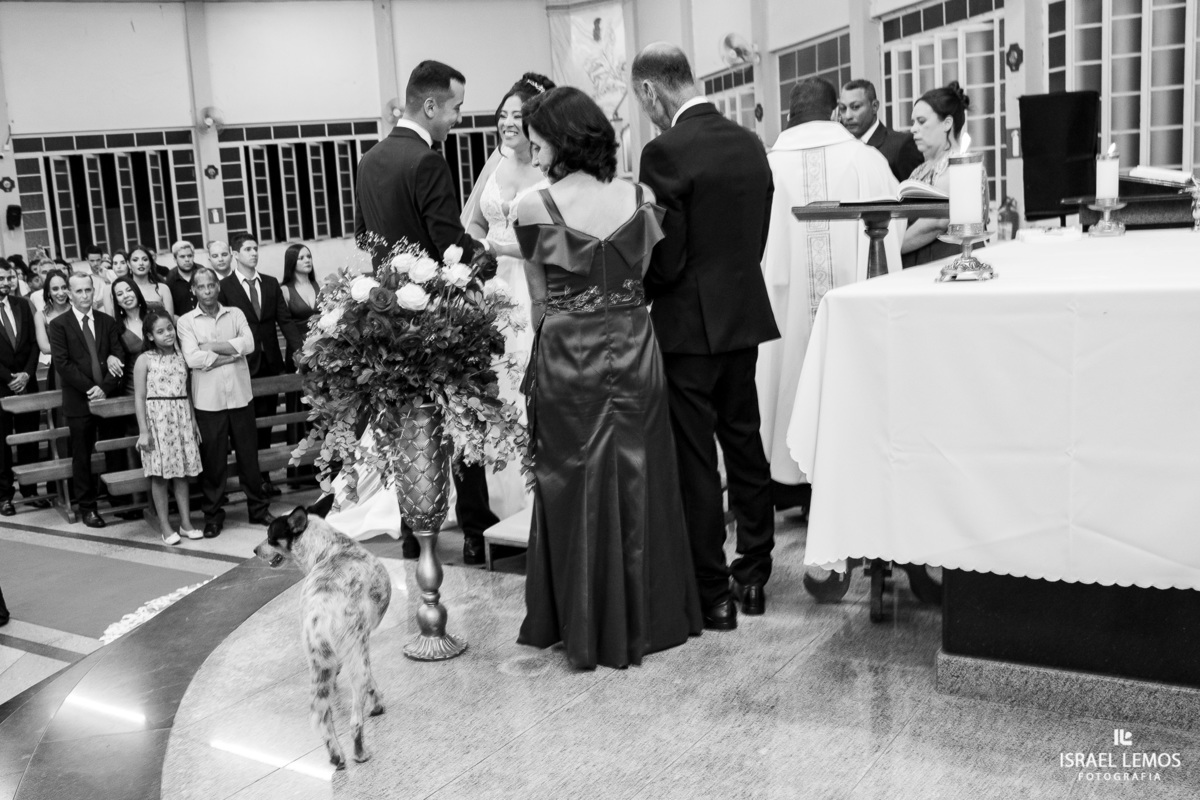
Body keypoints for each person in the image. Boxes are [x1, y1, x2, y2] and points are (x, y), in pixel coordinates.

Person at [513, 86, 702, 670]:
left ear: (560, 137)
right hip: (634, 341)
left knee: (571, 479)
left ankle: (585, 621)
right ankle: (652, 618)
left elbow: (540, 298)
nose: (530, 147)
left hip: (568, 348)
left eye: (536, 136)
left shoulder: (532, 204)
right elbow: (639, 275)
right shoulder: (639, 195)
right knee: (642, 474)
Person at [631, 44, 779, 629]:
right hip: (741, 314)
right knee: (745, 440)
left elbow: (665, 255)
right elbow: (756, 233)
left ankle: (713, 595)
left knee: (696, 458)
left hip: (687, 326)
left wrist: (649, 287)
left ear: (651, 91)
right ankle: (756, 574)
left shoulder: (664, 151)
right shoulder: (748, 143)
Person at [352, 59, 500, 564]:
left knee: (407, 426)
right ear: (430, 105)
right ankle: (477, 529)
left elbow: (364, 238)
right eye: (456, 108)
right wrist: (487, 259)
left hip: (388, 318)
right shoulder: (427, 161)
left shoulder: (369, 160)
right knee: (460, 419)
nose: (457, 118)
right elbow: (446, 243)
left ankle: (415, 530)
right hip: (439, 321)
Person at [757, 77, 903, 515]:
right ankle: (850, 491)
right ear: (835, 111)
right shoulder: (865, 158)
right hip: (851, 305)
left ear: (790, 115)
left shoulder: (766, 165)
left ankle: (791, 487)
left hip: (783, 311)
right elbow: (892, 229)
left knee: (785, 381)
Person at [461, 71, 554, 520]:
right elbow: (472, 220)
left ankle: (535, 494)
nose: (507, 123)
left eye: (517, 116)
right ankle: (497, 499)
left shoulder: (549, 166)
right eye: (502, 115)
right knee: (495, 385)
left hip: (533, 283)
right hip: (495, 287)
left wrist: (502, 246)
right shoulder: (495, 161)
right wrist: (483, 247)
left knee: (528, 382)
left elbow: (556, 236)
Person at [178, 267, 273, 538]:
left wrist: (212, 347)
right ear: (194, 290)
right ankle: (213, 516)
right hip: (209, 403)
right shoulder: (187, 322)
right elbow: (193, 359)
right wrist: (231, 352)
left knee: (248, 459)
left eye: (211, 286)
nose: (207, 291)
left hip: (241, 398)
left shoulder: (236, 314)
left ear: (218, 287)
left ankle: (258, 508)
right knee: (214, 463)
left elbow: (250, 344)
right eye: (202, 287)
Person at [218, 233, 300, 496]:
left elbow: (284, 321)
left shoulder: (271, 283)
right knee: (247, 424)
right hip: (243, 364)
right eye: (247, 249)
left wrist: (301, 350)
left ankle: (263, 477)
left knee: (267, 421)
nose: (253, 253)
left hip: (270, 361)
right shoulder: (226, 287)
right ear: (235, 253)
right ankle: (250, 478)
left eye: (256, 248)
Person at [47, 273, 127, 528]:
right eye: (78, 291)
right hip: (79, 400)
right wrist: (93, 388)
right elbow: (63, 364)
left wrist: (104, 388)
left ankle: (119, 500)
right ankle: (88, 507)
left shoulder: (107, 321)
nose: (84, 296)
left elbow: (118, 355)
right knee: (82, 454)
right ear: (69, 294)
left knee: (114, 449)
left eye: (88, 291)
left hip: (107, 398)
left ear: (94, 292)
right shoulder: (59, 324)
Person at [134, 310, 202, 545]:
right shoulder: (145, 359)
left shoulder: (183, 356)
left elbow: (188, 391)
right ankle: (165, 525)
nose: (167, 334)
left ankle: (186, 523)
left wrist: (192, 420)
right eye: (160, 331)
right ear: (150, 336)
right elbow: (140, 396)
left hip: (181, 416)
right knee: (160, 475)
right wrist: (144, 431)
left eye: (169, 329)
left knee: (182, 473)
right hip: (157, 420)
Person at [902, 82, 974, 266]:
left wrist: (892, 247)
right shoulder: (922, 168)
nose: (913, 129)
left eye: (921, 121)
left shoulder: (959, 165)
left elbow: (936, 222)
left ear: (947, 123)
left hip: (944, 260)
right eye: (913, 122)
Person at [0, 261, 44, 515]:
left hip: (26, 383)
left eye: (9, 277)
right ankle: (5, 495)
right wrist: (9, 378)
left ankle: (29, 490)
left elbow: (32, 344)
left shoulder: (22, 305)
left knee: (29, 438)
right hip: (2, 385)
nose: (6, 282)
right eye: (1, 278)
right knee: (2, 443)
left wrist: (27, 374)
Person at [839, 79, 923, 184]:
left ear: (874, 106)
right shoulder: (841, 149)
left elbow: (913, 196)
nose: (848, 116)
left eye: (855, 107)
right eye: (842, 108)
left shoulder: (901, 145)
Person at [111, 276, 149, 393]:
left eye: (129, 290)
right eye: (120, 294)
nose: (126, 296)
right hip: (134, 388)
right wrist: (109, 357)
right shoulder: (115, 328)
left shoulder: (155, 313)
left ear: (136, 291)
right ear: (117, 301)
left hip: (164, 382)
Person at [128, 244, 175, 316]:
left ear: (150, 263)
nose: (141, 263)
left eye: (145, 259)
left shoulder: (163, 289)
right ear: (129, 264)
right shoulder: (124, 289)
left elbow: (170, 319)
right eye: (135, 260)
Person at [166, 240, 198, 315]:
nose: (187, 260)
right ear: (175, 259)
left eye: (190, 256)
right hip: (181, 323)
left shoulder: (202, 273)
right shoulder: (170, 279)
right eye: (182, 257)